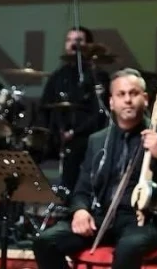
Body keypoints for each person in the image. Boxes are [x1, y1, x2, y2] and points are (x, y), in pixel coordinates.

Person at [32, 68, 157, 269]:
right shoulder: (98, 140)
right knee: (45, 241)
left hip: (146, 221)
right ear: (111, 102)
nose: (127, 100)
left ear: (145, 99)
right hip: (103, 217)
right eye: (121, 94)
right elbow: (82, 189)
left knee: (128, 247)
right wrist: (80, 210)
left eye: (133, 94)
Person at [38, 26, 111, 192]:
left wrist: (75, 132)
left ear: (89, 45)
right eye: (69, 40)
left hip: (85, 137)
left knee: (77, 152)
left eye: (78, 41)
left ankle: (71, 197)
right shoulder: (58, 76)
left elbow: (99, 113)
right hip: (58, 136)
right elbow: (45, 107)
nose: (72, 45)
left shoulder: (96, 76)